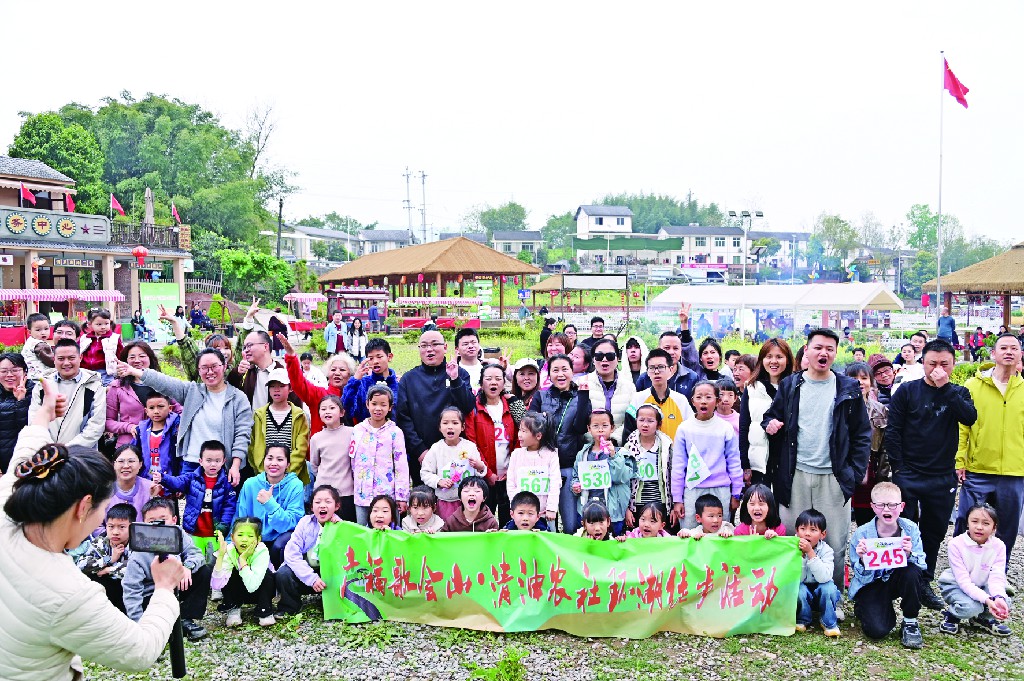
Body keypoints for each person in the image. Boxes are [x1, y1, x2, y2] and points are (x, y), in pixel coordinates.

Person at [0, 378, 184, 679]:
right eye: (103, 510)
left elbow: (27, 454)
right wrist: (164, 589)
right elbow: (138, 652)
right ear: (84, 506)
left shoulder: (8, 503)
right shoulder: (68, 592)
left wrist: (43, 416)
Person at [763, 327, 870, 588]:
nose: (824, 353)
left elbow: (862, 434)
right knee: (792, 539)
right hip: (795, 474)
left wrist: (854, 474)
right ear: (807, 351)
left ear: (835, 353)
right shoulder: (791, 384)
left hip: (834, 475)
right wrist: (770, 424)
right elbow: (771, 416)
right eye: (818, 348)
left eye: (829, 349)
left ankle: (831, 596)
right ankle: (793, 596)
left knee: (834, 542)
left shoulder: (848, 387)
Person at [886, 339, 977, 609]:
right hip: (909, 473)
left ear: (953, 365)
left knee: (934, 530)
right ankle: (901, 577)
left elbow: (969, 418)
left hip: (942, 475)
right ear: (922, 363)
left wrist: (945, 387)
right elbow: (893, 431)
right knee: (904, 527)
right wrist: (898, 468)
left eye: (944, 364)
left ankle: (924, 580)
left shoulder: (958, 392)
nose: (938, 368)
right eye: (932, 363)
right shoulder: (907, 391)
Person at [116, 348, 252, 487]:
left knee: (222, 501)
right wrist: (134, 371)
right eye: (204, 368)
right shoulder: (191, 392)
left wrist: (235, 465)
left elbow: (242, 435)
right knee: (191, 501)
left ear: (224, 366)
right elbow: (164, 382)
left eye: (214, 366)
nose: (210, 372)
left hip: (222, 466)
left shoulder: (238, 398)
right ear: (198, 370)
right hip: (192, 464)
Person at [955, 332, 1024, 563]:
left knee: (1007, 527)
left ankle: (998, 573)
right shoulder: (973, 386)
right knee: (968, 521)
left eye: (1014, 348)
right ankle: (962, 570)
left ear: (1020, 354)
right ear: (993, 353)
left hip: (1014, 471)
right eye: (1003, 348)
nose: (1009, 352)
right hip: (978, 468)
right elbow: (962, 427)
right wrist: (960, 460)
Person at [848, 482, 927, 649]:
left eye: (892, 505)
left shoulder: (911, 529)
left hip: (897, 577)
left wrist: (909, 554)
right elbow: (859, 576)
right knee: (877, 631)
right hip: (871, 583)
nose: (886, 509)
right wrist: (862, 559)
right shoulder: (861, 534)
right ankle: (864, 607)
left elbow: (921, 564)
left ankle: (910, 621)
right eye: (881, 505)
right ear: (872, 506)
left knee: (912, 572)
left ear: (902, 506)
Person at [122, 497, 211, 641]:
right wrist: (138, 625)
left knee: (203, 571)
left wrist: (187, 567)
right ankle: (161, 627)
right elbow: (131, 588)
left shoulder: (178, 534)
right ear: (144, 523)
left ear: (174, 520)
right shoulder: (138, 551)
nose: (158, 525)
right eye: (152, 521)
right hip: (151, 595)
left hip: (177, 586)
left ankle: (185, 618)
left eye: (163, 519)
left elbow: (196, 554)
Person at [395, 330, 475, 485]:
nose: (429, 349)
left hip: (455, 452)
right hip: (421, 453)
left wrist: (455, 379)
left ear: (445, 347)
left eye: (434, 344)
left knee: (455, 495)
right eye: (424, 346)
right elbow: (403, 417)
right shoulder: (409, 379)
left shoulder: (459, 373)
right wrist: (420, 450)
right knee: (423, 497)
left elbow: (467, 406)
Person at [527, 354, 591, 534]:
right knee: (544, 521)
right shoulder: (541, 396)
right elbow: (530, 426)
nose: (560, 374)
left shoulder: (581, 396)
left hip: (568, 466)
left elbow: (580, 428)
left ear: (572, 372)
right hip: (543, 466)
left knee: (571, 524)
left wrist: (583, 397)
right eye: (555, 370)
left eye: (565, 369)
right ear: (549, 374)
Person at [151, 440, 238, 560]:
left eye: (217, 461)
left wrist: (224, 525)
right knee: (194, 560)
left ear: (223, 461)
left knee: (213, 562)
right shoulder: (192, 478)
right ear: (200, 461)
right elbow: (177, 482)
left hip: (215, 533)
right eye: (209, 460)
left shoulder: (226, 483)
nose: (213, 464)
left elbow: (229, 507)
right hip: (193, 532)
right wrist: (163, 478)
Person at [673, 381, 742, 529]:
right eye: (699, 397)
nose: (703, 401)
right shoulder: (684, 428)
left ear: (717, 401)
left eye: (708, 397)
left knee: (720, 532)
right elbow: (678, 465)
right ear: (692, 401)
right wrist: (677, 499)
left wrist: (736, 493)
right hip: (692, 489)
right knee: (690, 531)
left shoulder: (725, 428)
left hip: (720, 488)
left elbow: (734, 461)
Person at [938, 503, 1012, 636]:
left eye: (986, 523)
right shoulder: (956, 544)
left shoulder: (999, 546)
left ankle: (983, 619)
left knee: (1004, 601)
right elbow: (963, 582)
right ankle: (952, 615)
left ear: (994, 527)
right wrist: (987, 600)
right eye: (974, 521)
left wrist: (998, 597)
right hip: (956, 585)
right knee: (971, 607)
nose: (979, 527)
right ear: (967, 523)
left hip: (983, 584)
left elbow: (997, 577)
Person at [276, 485, 344, 616]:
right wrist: (311, 578)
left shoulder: (341, 526)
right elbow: (291, 553)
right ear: (312, 507)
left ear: (337, 506)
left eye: (328, 502)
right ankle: (289, 607)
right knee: (283, 573)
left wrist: (337, 528)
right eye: (317, 502)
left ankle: (330, 603)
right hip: (306, 571)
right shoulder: (305, 523)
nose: (322, 505)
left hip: (327, 574)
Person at [234, 445, 304, 568]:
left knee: (281, 545)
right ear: (264, 461)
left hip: (279, 537)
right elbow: (240, 517)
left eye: (280, 459)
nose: (274, 463)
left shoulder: (295, 485)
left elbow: (292, 523)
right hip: (254, 537)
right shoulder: (250, 484)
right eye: (270, 458)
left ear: (288, 464)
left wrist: (270, 504)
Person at [465, 364, 518, 524]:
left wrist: (511, 469)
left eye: (498, 378)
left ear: (503, 383)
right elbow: (472, 443)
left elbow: (520, 439)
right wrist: (488, 473)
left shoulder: (512, 405)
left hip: (509, 475)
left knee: (508, 521)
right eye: (488, 379)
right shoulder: (473, 408)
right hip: (483, 475)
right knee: (483, 522)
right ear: (481, 383)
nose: (493, 382)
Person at [29, 339, 106, 448]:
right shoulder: (42, 385)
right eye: (61, 359)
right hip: (47, 452)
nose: (66, 363)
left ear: (80, 358)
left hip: (82, 454)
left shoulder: (94, 385)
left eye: (71, 358)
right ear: (54, 359)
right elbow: (34, 420)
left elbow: (96, 426)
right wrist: (50, 449)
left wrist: (65, 450)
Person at [351, 384, 410, 525]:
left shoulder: (395, 432)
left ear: (390, 407)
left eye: (383, 405)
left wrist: (401, 496)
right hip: (363, 495)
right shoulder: (358, 430)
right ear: (367, 404)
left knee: (389, 532)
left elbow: (401, 466)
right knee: (363, 532)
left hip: (387, 495)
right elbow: (353, 461)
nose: (378, 408)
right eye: (374, 404)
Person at [570, 410, 635, 536]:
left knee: (612, 541)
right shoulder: (582, 454)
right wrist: (575, 486)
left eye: (605, 425)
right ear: (589, 429)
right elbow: (575, 476)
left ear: (612, 428)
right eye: (595, 426)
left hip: (612, 510)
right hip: (587, 509)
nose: (600, 429)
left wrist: (613, 456)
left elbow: (621, 477)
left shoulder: (621, 453)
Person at [740, 338, 794, 487]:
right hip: (759, 461)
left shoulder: (795, 388)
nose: (773, 361)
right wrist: (745, 463)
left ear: (788, 360)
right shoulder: (752, 388)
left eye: (779, 357)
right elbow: (744, 426)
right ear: (762, 360)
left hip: (786, 461)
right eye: (769, 356)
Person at [106, 340, 180, 449]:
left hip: (162, 445)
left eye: (142, 356)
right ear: (125, 360)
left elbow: (180, 410)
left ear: (150, 358)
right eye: (132, 357)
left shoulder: (163, 383)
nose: (137, 360)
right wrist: (129, 427)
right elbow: (108, 422)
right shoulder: (117, 387)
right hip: (129, 446)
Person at [421, 406, 485, 521]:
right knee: (446, 528)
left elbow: (478, 473)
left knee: (466, 528)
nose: (450, 426)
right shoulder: (436, 448)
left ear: (462, 427)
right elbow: (425, 473)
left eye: (455, 423)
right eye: (445, 423)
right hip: (444, 502)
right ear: (440, 427)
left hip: (468, 503)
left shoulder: (470, 447)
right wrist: (439, 481)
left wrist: (480, 467)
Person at [279, 333, 349, 436]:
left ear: (350, 374)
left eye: (342, 370)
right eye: (333, 369)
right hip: (320, 445)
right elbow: (299, 384)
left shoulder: (355, 397)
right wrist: (291, 357)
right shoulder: (319, 394)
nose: (337, 373)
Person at [845, 362, 889, 526]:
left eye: (864, 378)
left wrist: (882, 479)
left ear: (871, 382)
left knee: (866, 517)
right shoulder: (838, 407)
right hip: (843, 468)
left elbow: (885, 448)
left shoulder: (880, 410)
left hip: (869, 468)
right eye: (853, 378)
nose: (859, 382)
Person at [211, 517, 276, 627]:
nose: (244, 539)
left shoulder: (262, 551)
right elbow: (216, 585)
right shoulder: (229, 550)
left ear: (258, 539)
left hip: (258, 590)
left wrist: (242, 561)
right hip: (239, 591)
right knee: (229, 573)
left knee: (268, 575)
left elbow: (252, 586)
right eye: (240, 535)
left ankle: (265, 610)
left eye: (250, 536)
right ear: (232, 537)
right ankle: (234, 608)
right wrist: (221, 556)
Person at [249, 368, 310, 484]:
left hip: (291, 478)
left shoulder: (299, 415)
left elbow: (301, 449)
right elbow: (253, 446)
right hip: (264, 477)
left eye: (281, 386)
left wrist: (287, 474)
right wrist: (264, 473)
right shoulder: (259, 415)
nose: (276, 390)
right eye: (272, 386)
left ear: (290, 388)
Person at [76, 502, 136, 612]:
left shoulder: (137, 544)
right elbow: (81, 565)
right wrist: (109, 559)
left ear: (132, 527)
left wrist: (107, 570)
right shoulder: (101, 541)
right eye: (111, 526)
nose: (115, 532)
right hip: (105, 594)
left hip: (128, 595)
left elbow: (134, 570)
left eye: (122, 527)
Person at [624, 349, 694, 442]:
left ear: (670, 370)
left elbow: (691, 431)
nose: (656, 372)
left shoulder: (681, 400)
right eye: (652, 368)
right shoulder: (638, 399)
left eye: (661, 367)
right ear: (647, 372)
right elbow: (628, 433)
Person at [506, 412, 561, 530]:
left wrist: (551, 508)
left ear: (538, 436)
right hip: (521, 513)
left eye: (524, 431)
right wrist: (516, 506)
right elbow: (511, 483)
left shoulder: (551, 455)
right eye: (519, 430)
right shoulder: (516, 454)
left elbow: (555, 483)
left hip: (543, 513)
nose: (519, 434)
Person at [308, 395, 355, 522]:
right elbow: (314, 465)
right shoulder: (316, 438)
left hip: (347, 493)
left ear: (342, 413)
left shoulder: (353, 433)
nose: (327, 411)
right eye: (323, 409)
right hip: (324, 493)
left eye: (332, 408)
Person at [794, 509, 841, 637]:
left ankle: (829, 622)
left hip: (821, 586)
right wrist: (801, 558)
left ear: (822, 534)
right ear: (797, 531)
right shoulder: (792, 548)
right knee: (798, 589)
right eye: (803, 529)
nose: (807, 533)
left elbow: (824, 577)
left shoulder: (827, 551)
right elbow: (797, 578)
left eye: (813, 530)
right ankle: (802, 618)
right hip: (803, 585)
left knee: (829, 588)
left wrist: (810, 553)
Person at [585, 338, 635, 444]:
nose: (604, 360)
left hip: (619, 446)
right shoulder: (582, 384)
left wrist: (614, 439)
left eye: (610, 356)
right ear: (593, 359)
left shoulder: (629, 387)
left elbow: (631, 420)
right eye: (599, 356)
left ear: (618, 359)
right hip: (588, 446)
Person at [230, 323, 289, 411]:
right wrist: (237, 373)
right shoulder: (245, 371)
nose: (246, 350)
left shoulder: (282, 374)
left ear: (265, 346)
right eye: (244, 347)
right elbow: (230, 392)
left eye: (249, 345)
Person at [343, 338, 399, 423]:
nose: (375, 361)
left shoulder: (400, 384)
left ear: (389, 357)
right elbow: (347, 410)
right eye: (371, 358)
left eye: (379, 357)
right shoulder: (362, 384)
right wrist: (355, 380)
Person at [634, 331, 700, 401]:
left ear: (681, 350)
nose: (671, 352)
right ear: (659, 349)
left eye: (675, 348)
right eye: (667, 348)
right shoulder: (645, 378)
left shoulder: (692, 378)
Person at [131, 392, 180, 478]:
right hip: (146, 480)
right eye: (151, 408)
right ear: (146, 411)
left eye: (160, 407)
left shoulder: (176, 430)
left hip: (170, 480)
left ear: (170, 408)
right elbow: (133, 453)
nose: (156, 411)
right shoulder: (140, 431)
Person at [0, 353, 33, 473]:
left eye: (15, 370)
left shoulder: (34, 392)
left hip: (25, 459)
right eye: (4, 371)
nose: (9, 375)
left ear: (25, 372)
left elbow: (27, 428)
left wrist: (21, 401)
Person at [104, 444, 154, 523]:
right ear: (114, 464)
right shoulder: (103, 488)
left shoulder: (150, 487)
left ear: (140, 464)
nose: (126, 466)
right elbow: (96, 525)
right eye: (121, 461)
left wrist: (154, 497)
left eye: (131, 461)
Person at [80, 307, 123, 385]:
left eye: (106, 323)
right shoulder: (85, 338)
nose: (103, 327)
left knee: (107, 389)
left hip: (106, 372)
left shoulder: (114, 338)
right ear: (90, 324)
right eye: (99, 324)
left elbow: (121, 354)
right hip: (86, 372)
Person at [21, 312, 51, 380]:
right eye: (38, 330)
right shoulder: (39, 345)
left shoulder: (30, 341)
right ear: (29, 332)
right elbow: (50, 360)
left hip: (30, 376)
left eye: (46, 329)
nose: (43, 332)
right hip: (40, 378)